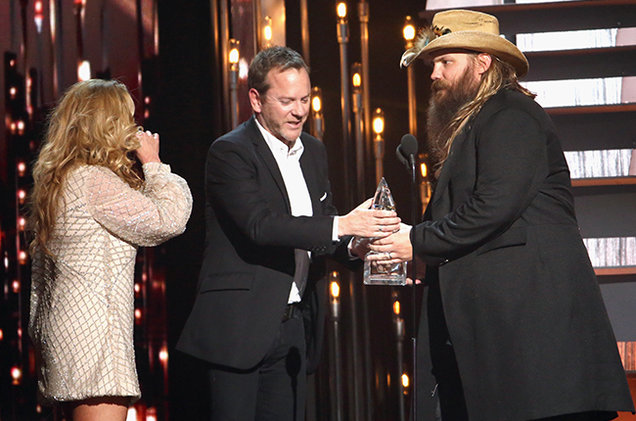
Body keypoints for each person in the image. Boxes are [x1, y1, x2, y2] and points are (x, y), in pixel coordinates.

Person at [369, 9, 635, 421]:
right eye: (433, 63)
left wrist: (417, 241)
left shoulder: (510, 114)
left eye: (445, 62)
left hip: (536, 349)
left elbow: (493, 206)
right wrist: (426, 255)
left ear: (483, 62)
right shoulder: (476, 121)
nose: (434, 74)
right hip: (507, 346)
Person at [177, 46, 400, 421]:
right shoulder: (231, 152)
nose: (299, 111)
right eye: (286, 101)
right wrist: (344, 224)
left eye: (305, 99)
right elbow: (260, 225)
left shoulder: (313, 151)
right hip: (241, 328)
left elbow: (322, 222)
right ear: (256, 100)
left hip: (295, 325)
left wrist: (358, 247)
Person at [28, 79, 193, 421]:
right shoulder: (93, 181)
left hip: (64, 336)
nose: (135, 130)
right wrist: (154, 163)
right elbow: (169, 219)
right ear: (108, 125)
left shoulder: (60, 181)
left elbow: (39, 278)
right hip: (94, 340)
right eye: (128, 120)